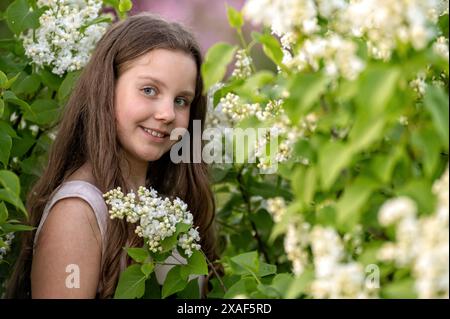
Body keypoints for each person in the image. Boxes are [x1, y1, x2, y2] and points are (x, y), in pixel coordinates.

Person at [5, 12, 218, 299]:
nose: (167, 114)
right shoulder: (79, 212)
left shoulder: (167, 203)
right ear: (107, 89)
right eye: (149, 90)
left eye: (181, 100)